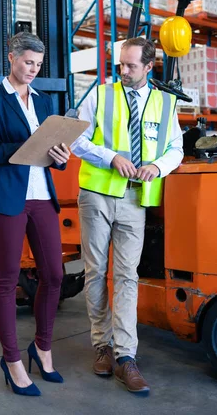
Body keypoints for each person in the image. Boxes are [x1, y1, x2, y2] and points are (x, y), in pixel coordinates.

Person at [71, 36, 183, 395]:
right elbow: (77, 141)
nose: (124, 70)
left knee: (127, 276)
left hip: (135, 199)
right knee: (96, 271)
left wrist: (157, 165)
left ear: (149, 67)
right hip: (97, 195)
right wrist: (110, 157)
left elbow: (175, 148)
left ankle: (126, 356)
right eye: (121, 63)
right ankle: (101, 345)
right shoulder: (101, 95)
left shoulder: (166, 104)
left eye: (132, 65)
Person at [0, 32, 71, 397]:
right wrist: (30, 146)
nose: (32, 69)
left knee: (53, 274)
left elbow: (52, 154)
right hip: (8, 199)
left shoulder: (44, 102)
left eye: (37, 65)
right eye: (27, 62)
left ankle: (42, 348)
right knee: (7, 278)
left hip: (41, 196)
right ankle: (13, 360)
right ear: (12, 57)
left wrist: (59, 157)